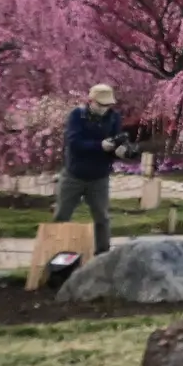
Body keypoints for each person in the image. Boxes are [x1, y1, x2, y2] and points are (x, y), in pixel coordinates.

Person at [55, 83, 126, 253]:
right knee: (62, 215)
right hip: (74, 174)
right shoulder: (77, 116)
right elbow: (74, 142)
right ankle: (55, 250)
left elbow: (116, 139)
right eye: (101, 105)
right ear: (91, 101)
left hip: (99, 176)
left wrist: (120, 150)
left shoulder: (114, 117)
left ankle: (103, 254)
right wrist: (99, 146)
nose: (104, 109)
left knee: (102, 217)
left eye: (108, 105)